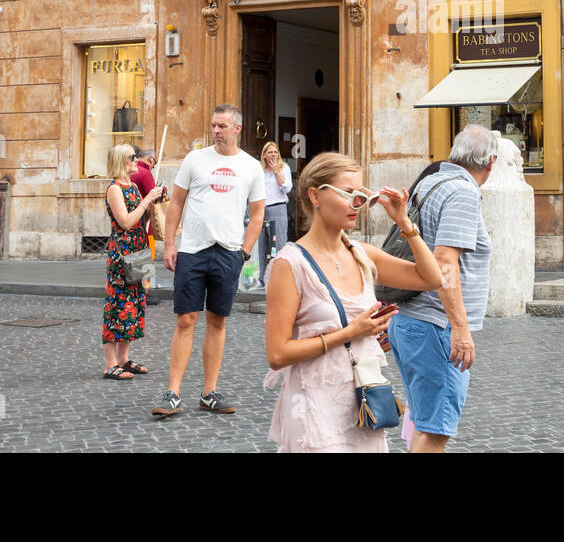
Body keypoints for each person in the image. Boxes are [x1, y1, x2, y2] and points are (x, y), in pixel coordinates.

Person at [263, 152, 442, 452]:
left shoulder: (362, 253)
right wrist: (350, 333)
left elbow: (431, 278)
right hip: (313, 405)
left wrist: (404, 223)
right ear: (314, 196)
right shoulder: (290, 264)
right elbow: (277, 354)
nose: (357, 203)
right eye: (348, 193)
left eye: (361, 194)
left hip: (363, 401)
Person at [386, 124, 496, 453]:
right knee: (435, 430)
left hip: (411, 321)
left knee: (423, 420)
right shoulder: (462, 192)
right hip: (436, 326)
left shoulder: (430, 181)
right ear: (490, 161)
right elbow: (445, 261)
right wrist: (460, 329)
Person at [152, 105, 265, 417]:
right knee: (186, 319)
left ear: (237, 129)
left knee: (217, 320)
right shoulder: (195, 159)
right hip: (192, 251)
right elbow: (176, 202)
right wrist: (170, 244)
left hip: (228, 252)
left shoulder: (251, 166)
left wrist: (244, 252)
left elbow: (257, 215)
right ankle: (172, 393)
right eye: (214, 125)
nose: (217, 131)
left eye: (223, 126)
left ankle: (209, 392)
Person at [102, 144, 165, 380]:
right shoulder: (115, 189)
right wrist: (146, 199)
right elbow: (126, 222)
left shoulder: (131, 186)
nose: (136, 161)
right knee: (117, 304)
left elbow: (143, 217)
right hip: (122, 253)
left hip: (139, 249)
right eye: (132, 158)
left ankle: (124, 359)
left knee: (134, 302)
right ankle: (110, 364)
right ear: (121, 161)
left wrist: (154, 201)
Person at [257, 141, 293, 288]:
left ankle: (278, 277)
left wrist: (277, 171)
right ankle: (261, 278)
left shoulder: (284, 168)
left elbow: (287, 188)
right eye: (270, 152)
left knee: (278, 243)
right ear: (264, 155)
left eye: (275, 152)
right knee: (260, 243)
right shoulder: (259, 170)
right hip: (260, 209)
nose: (273, 154)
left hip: (277, 208)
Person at [131, 147, 161, 305]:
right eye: (154, 162)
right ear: (149, 159)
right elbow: (154, 198)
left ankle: (134, 291)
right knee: (146, 259)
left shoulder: (129, 173)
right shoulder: (144, 173)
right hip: (145, 222)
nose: (154, 165)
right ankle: (144, 292)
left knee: (134, 258)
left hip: (131, 223)